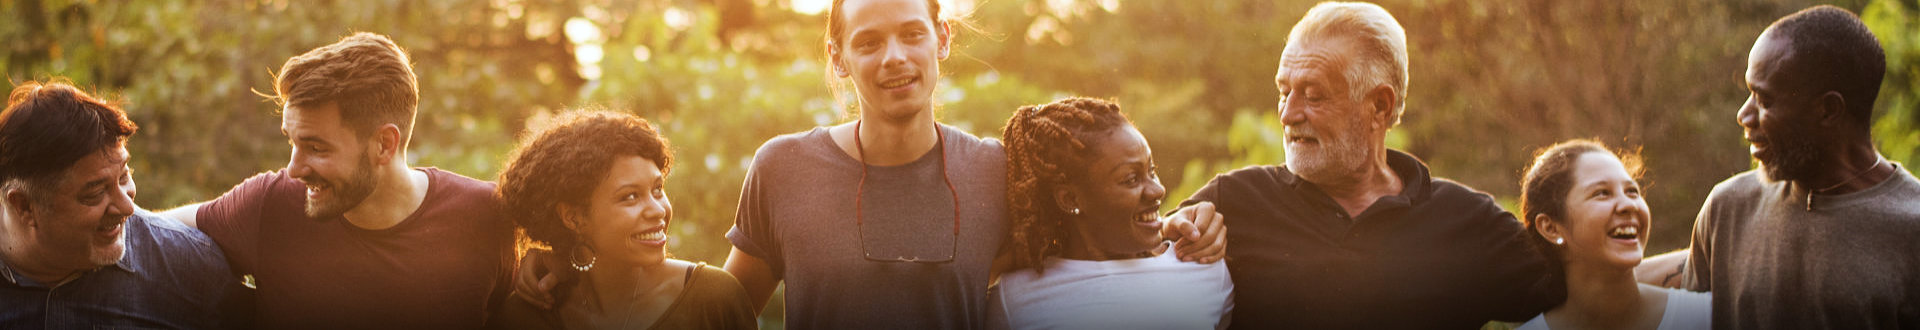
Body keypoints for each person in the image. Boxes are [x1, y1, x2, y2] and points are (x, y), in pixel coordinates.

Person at [511, 0, 1227, 328]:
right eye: (869, 41)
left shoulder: (997, 171)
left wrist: (1192, 222)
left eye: (913, 35)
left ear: (941, 40)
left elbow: (1090, 246)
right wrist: (567, 262)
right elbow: (721, 307)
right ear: (838, 57)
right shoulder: (782, 166)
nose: (894, 59)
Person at [1164, 2, 1556, 328]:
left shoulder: (1470, 222)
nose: (1287, 114)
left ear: (1379, 106)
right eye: (1284, 92)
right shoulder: (1232, 201)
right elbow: (1124, 270)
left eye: (1313, 95)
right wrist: (1170, 229)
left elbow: (1588, 295)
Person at [159, 33, 517, 329]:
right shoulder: (270, 205)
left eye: (316, 147)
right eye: (292, 141)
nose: (294, 168)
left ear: (384, 144)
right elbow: (148, 233)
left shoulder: (485, 216)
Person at [1681, 5, 1920, 329]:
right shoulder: (1725, 210)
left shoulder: (1912, 229)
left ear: (1828, 110)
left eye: (1764, 100)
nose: (1744, 116)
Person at [0, 81, 240, 329]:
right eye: (94, 192)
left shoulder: (191, 267)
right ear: (23, 206)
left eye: (124, 176)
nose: (127, 208)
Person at [490, 110, 755, 330]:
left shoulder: (715, 299)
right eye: (630, 197)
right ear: (574, 217)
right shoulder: (525, 316)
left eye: (657, 189)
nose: (657, 210)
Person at [987, 97, 1233, 330]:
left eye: (1152, 171)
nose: (1158, 190)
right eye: (1131, 179)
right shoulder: (1016, 301)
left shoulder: (1202, 268)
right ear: (1069, 199)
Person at [1515, 140, 1709, 330]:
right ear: (1551, 228)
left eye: (1632, 191)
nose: (1629, 205)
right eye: (1602, 193)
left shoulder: (1710, 317)